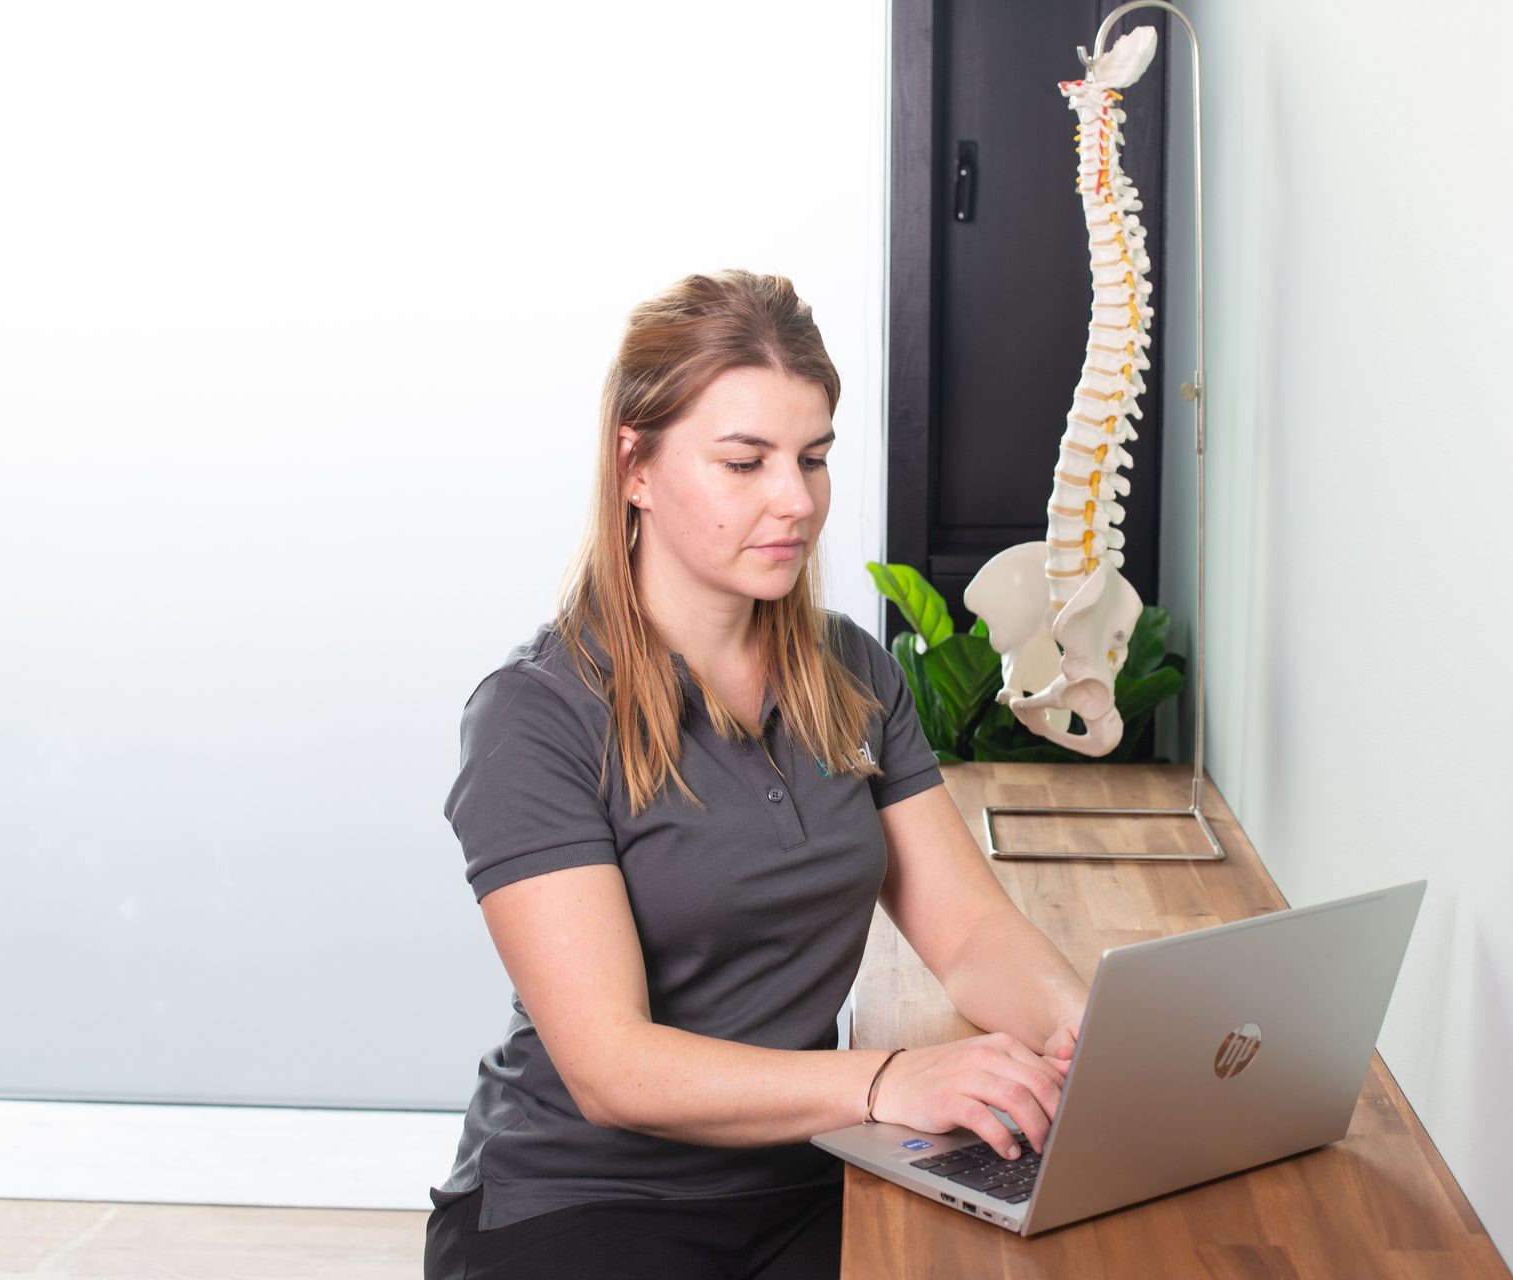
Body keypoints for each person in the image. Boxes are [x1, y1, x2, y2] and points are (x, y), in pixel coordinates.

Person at [427, 270, 1092, 1279]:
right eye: (745, 463)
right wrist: (888, 1079)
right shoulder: (536, 714)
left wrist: (1081, 1028)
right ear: (635, 466)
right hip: (583, 1200)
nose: (797, 500)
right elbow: (612, 1068)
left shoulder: (850, 669)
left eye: (813, 458)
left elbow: (967, 934)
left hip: (804, 1174)